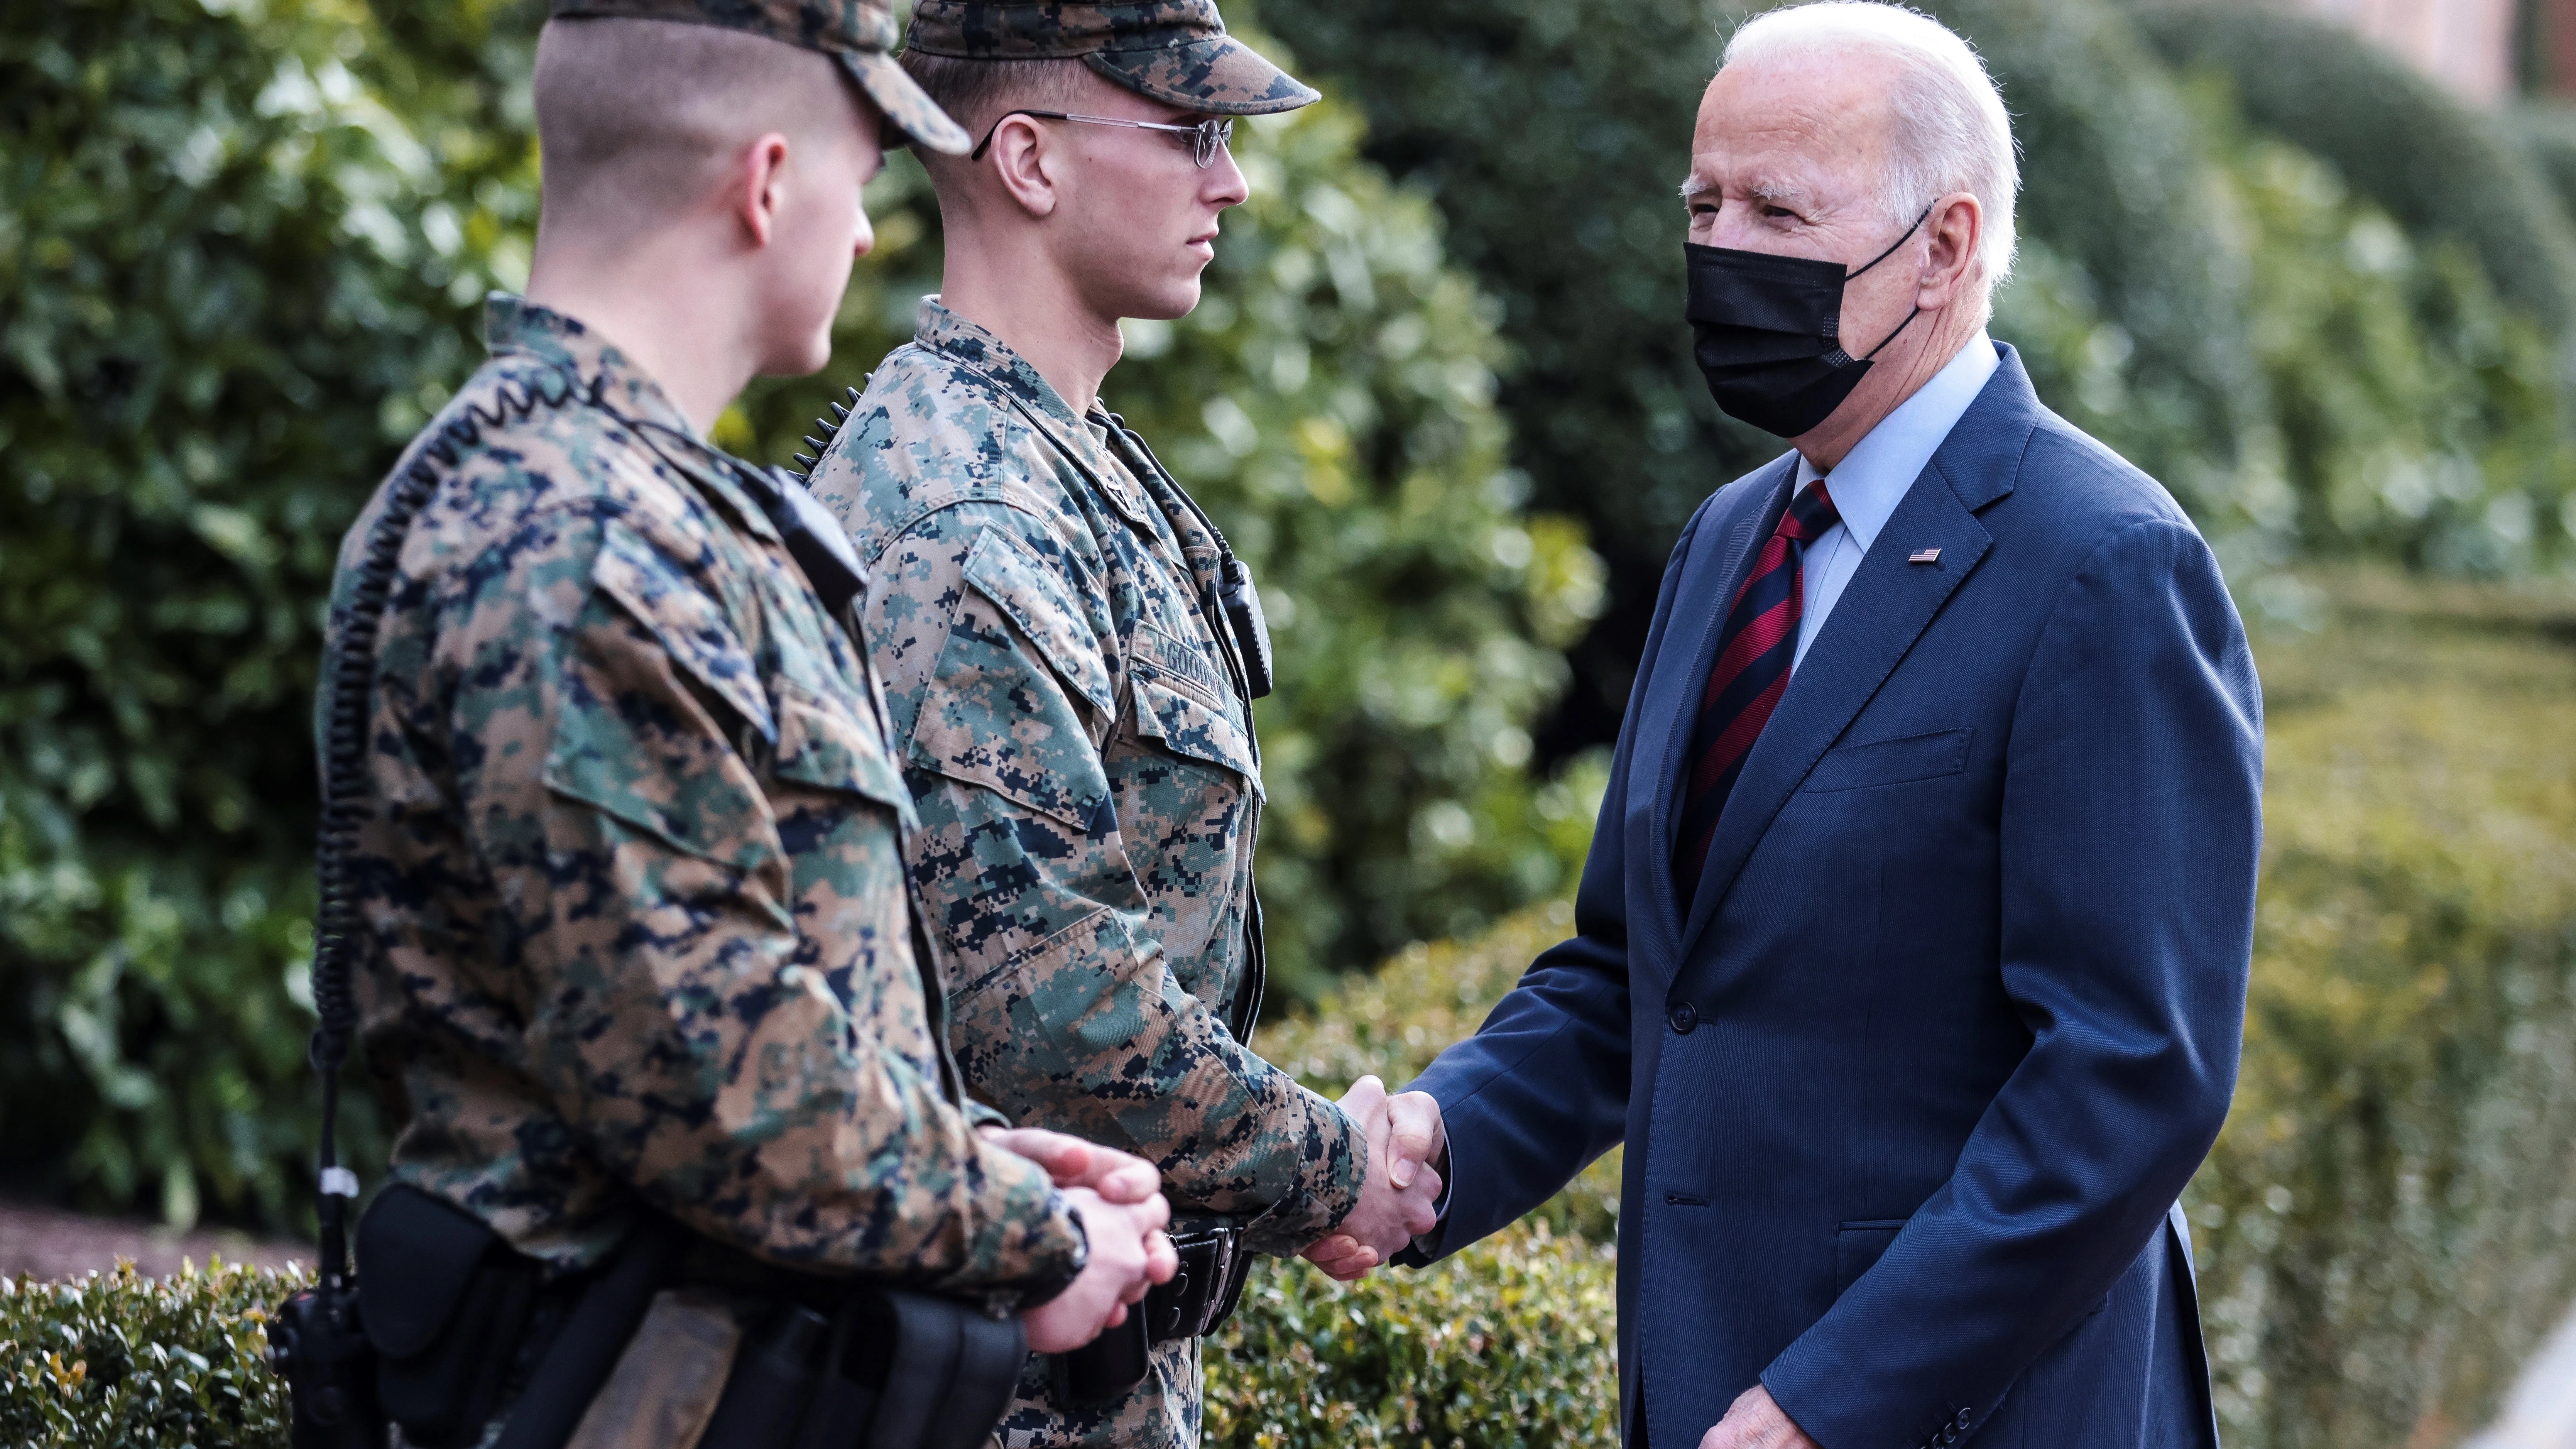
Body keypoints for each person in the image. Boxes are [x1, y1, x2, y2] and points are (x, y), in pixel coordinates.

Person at [1322, 5, 2264, 1448]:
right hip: (1696, 1392)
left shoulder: (2107, 561)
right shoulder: (1730, 537)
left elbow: (2128, 1079)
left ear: (1944, 247)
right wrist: (1440, 1144)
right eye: (1703, 204)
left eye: (1777, 208)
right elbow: (1639, 973)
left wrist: (1830, 1405)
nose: (1721, 252)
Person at [326, 0, 1175, 1438]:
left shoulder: (606, 500)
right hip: (616, 1389)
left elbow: (685, 1001)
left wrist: (958, 1148)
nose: (861, 235)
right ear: (767, 182)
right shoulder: (582, 540)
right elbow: (723, 1086)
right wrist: (1030, 1236)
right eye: (855, 183)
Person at [798, 2, 1442, 1442]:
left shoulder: (1058, 458)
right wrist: (1337, 1167)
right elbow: (1048, 1009)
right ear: (1026, 159)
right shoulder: (966, 511)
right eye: (1193, 134)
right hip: (976, 1392)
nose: (1232, 182)